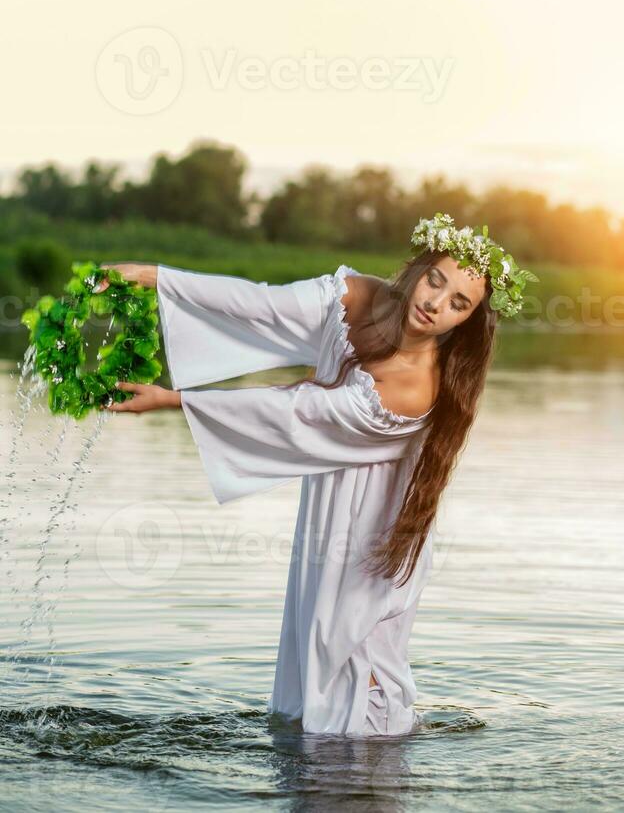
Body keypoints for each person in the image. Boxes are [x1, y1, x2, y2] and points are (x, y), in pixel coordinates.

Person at [95, 212, 537, 736]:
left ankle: (368, 770)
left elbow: (298, 413)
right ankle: (323, 770)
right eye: (435, 280)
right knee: (317, 650)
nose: (435, 303)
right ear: (419, 268)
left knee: (353, 650)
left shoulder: (413, 388)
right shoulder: (353, 296)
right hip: (331, 514)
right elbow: (259, 305)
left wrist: (175, 401)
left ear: (466, 321)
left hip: (374, 536)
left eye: (458, 303)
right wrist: (152, 276)